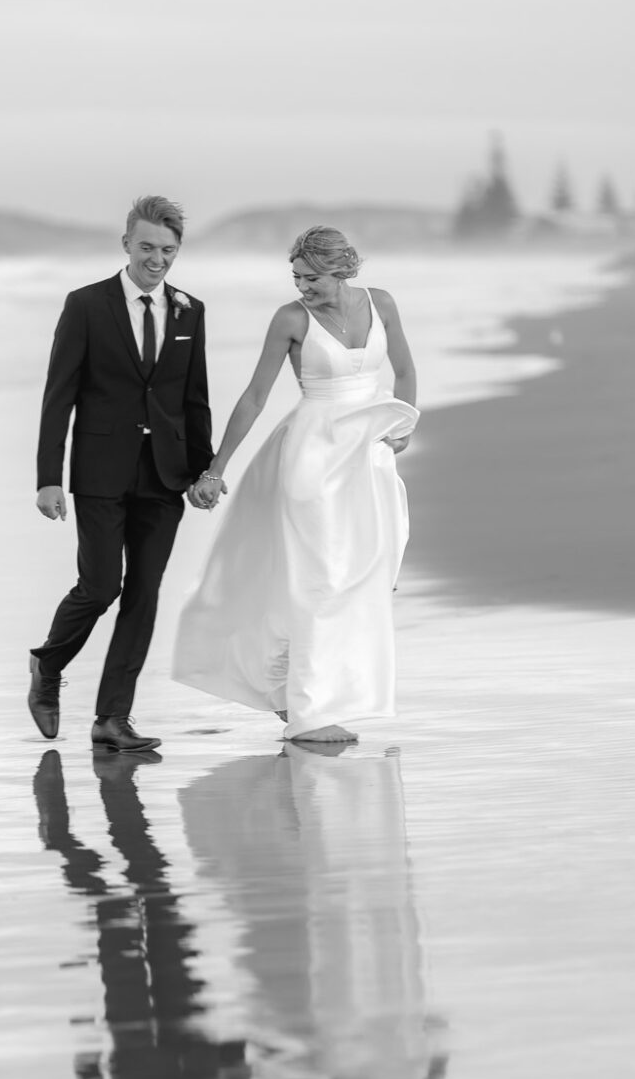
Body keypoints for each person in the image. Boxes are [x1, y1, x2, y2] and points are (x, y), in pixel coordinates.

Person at [172, 226, 419, 743]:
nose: (303, 287)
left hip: (369, 457)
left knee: (367, 574)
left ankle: (297, 693)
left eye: (313, 278)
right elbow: (255, 397)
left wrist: (404, 425)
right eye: (297, 277)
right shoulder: (290, 319)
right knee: (319, 581)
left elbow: (404, 369)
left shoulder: (383, 303)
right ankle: (308, 711)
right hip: (312, 456)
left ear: (343, 269)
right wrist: (217, 469)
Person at [28, 195, 213, 753]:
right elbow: (58, 395)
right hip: (100, 471)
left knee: (144, 594)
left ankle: (113, 718)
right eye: (148, 247)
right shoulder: (85, 306)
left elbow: (194, 399)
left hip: (165, 475)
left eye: (169, 250)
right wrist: (48, 476)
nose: (158, 260)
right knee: (103, 584)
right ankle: (48, 663)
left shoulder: (190, 310)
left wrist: (203, 470)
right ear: (126, 244)